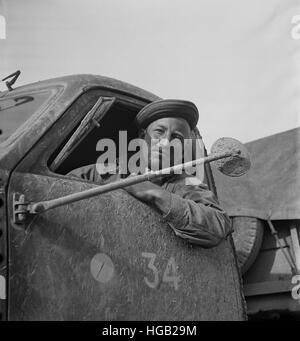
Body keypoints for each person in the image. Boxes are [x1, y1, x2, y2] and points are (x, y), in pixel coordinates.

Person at [68, 99, 232, 248]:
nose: (166, 142)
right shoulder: (109, 171)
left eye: (176, 137)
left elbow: (218, 225)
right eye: (159, 132)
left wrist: (153, 192)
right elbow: (64, 186)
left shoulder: (188, 185)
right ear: (142, 137)